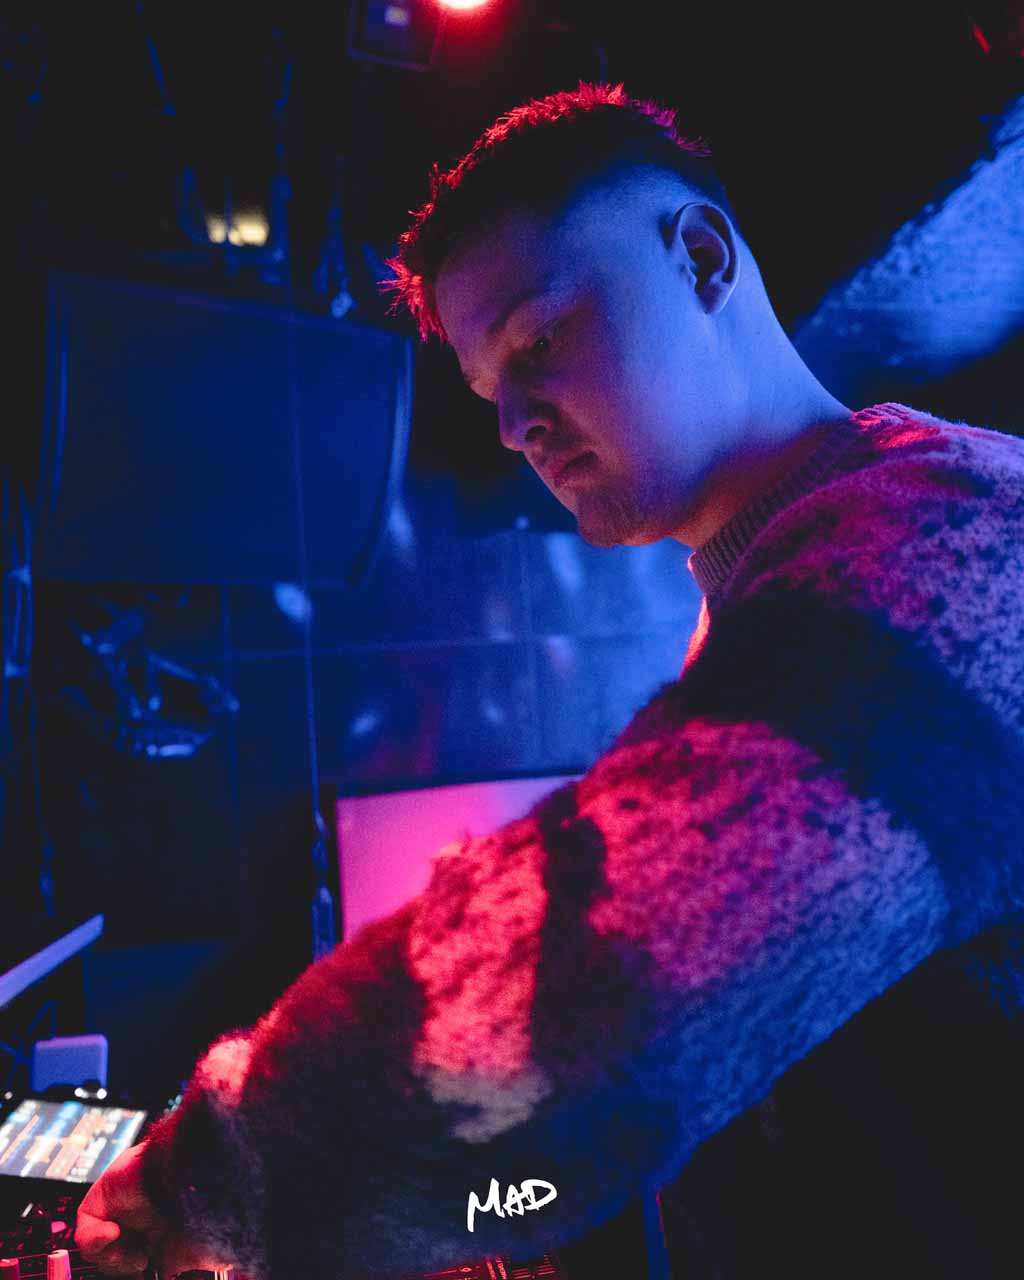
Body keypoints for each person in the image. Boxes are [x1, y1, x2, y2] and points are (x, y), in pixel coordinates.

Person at [75, 82, 1024, 1279]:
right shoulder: (767, 595)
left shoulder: (942, 535)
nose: (516, 422)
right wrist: (473, 1223)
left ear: (701, 258)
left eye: (538, 340)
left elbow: (596, 984)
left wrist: (219, 1177)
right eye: (491, 390)